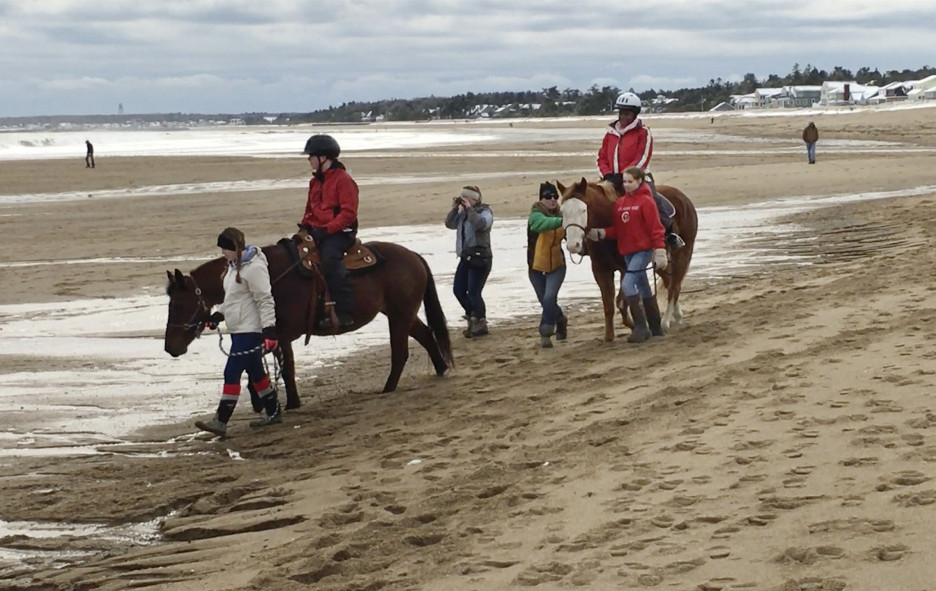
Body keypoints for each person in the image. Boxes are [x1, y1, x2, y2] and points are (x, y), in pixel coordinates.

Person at [195, 227, 282, 436]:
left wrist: (269, 330)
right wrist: (218, 316)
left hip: (250, 331)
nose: (223, 253)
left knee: (231, 372)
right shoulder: (233, 268)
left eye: (225, 249)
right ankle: (274, 412)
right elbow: (233, 300)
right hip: (238, 330)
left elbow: (265, 299)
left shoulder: (254, 269)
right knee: (256, 373)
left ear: (235, 247)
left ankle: (221, 421)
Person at [586, 167, 667, 343]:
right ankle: (655, 327)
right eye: (624, 182)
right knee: (644, 287)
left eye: (630, 181)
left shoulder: (647, 201)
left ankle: (640, 327)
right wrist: (601, 233)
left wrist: (659, 250)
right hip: (627, 251)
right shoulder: (620, 203)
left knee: (628, 284)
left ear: (639, 181)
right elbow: (618, 230)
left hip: (643, 250)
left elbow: (656, 227)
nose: (627, 185)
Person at [596, 92, 684, 250]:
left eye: (627, 113)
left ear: (635, 114)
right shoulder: (610, 134)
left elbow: (642, 158)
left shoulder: (643, 133)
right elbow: (601, 157)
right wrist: (607, 174)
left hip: (637, 180)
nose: (623, 116)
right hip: (609, 179)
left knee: (654, 201)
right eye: (621, 112)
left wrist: (625, 176)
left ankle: (669, 234)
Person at [299, 134, 358, 329]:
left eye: (311, 156)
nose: (309, 160)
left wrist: (326, 230)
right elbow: (310, 209)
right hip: (318, 231)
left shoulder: (344, 180)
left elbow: (348, 213)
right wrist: (305, 226)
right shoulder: (315, 182)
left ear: (323, 157)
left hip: (341, 232)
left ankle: (344, 311)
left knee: (330, 259)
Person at [445, 185, 493, 338]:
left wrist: (470, 210)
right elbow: (449, 224)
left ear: (474, 199)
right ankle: (472, 316)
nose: (464, 200)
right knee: (458, 290)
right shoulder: (462, 213)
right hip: (466, 257)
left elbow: (481, 224)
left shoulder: (485, 212)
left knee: (473, 292)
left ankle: (480, 322)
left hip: (481, 257)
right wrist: (455, 209)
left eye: (466, 198)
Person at [527, 182, 568, 348]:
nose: (552, 200)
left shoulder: (563, 215)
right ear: (541, 199)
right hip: (535, 266)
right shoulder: (535, 215)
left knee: (550, 297)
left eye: (555, 197)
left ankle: (546, 332)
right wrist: (564, 221)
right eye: (548, 196)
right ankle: (561, 319)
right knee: (544, 301)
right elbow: (541, 224)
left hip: (557, 265)